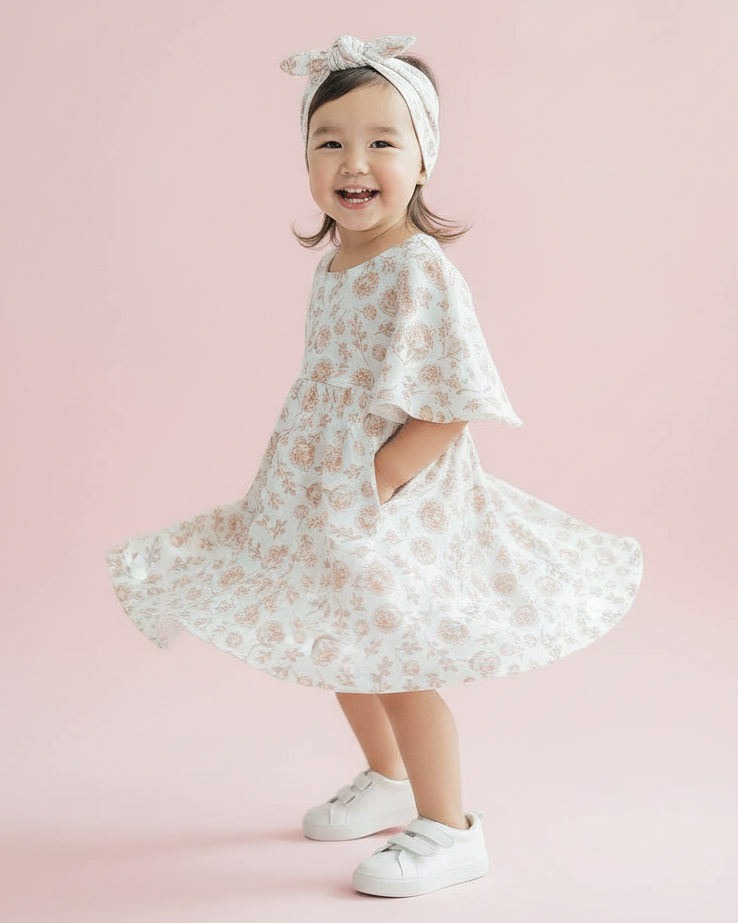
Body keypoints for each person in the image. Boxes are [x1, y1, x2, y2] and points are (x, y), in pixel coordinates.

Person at [106, 34, 644, 899]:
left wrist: (379, 482)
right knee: (338, 640)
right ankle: (389, 781)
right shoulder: (336, 265)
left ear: (423, 160)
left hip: (396, 498)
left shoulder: (420, 269)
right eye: (330, 142)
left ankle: (450, 825)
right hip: (323, 492)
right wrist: (311, 487)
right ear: (307, 162)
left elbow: (449, 402)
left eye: (382, 142)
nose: (354, 163)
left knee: (397, 657)